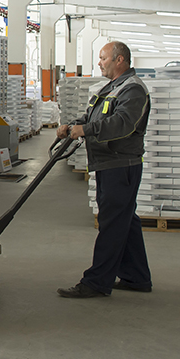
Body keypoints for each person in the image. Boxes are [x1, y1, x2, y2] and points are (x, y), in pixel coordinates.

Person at [55, 41, 152, 298]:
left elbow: (122, 124)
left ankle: (97, 282)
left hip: (121, 166)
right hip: (110, 163)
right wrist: (73, 125)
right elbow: (94, 117)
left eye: (103, 58)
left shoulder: (133, 90)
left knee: (112, 224)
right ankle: (136, 277)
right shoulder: (112, 88)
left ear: (119, 60)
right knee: (125, 220)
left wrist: (86, 131)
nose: (99, 62)